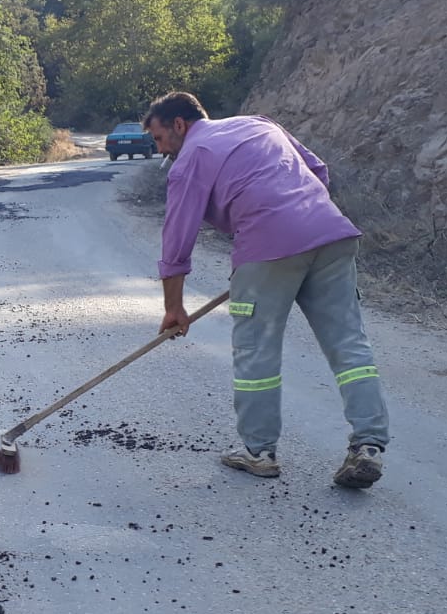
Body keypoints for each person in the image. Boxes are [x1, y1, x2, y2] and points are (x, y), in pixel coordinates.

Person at [141, 91, 389, 489]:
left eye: (158, 139)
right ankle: (369, 445)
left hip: (268, 247)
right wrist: (302, 231)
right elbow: (317, 170)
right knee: (348, 345)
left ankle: (259, 453)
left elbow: (176, 243)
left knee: (257, 349)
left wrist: (174, 308)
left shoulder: (190, 157)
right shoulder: (258, 123)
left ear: (179, 125)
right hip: (331, 232)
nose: (160, 150)